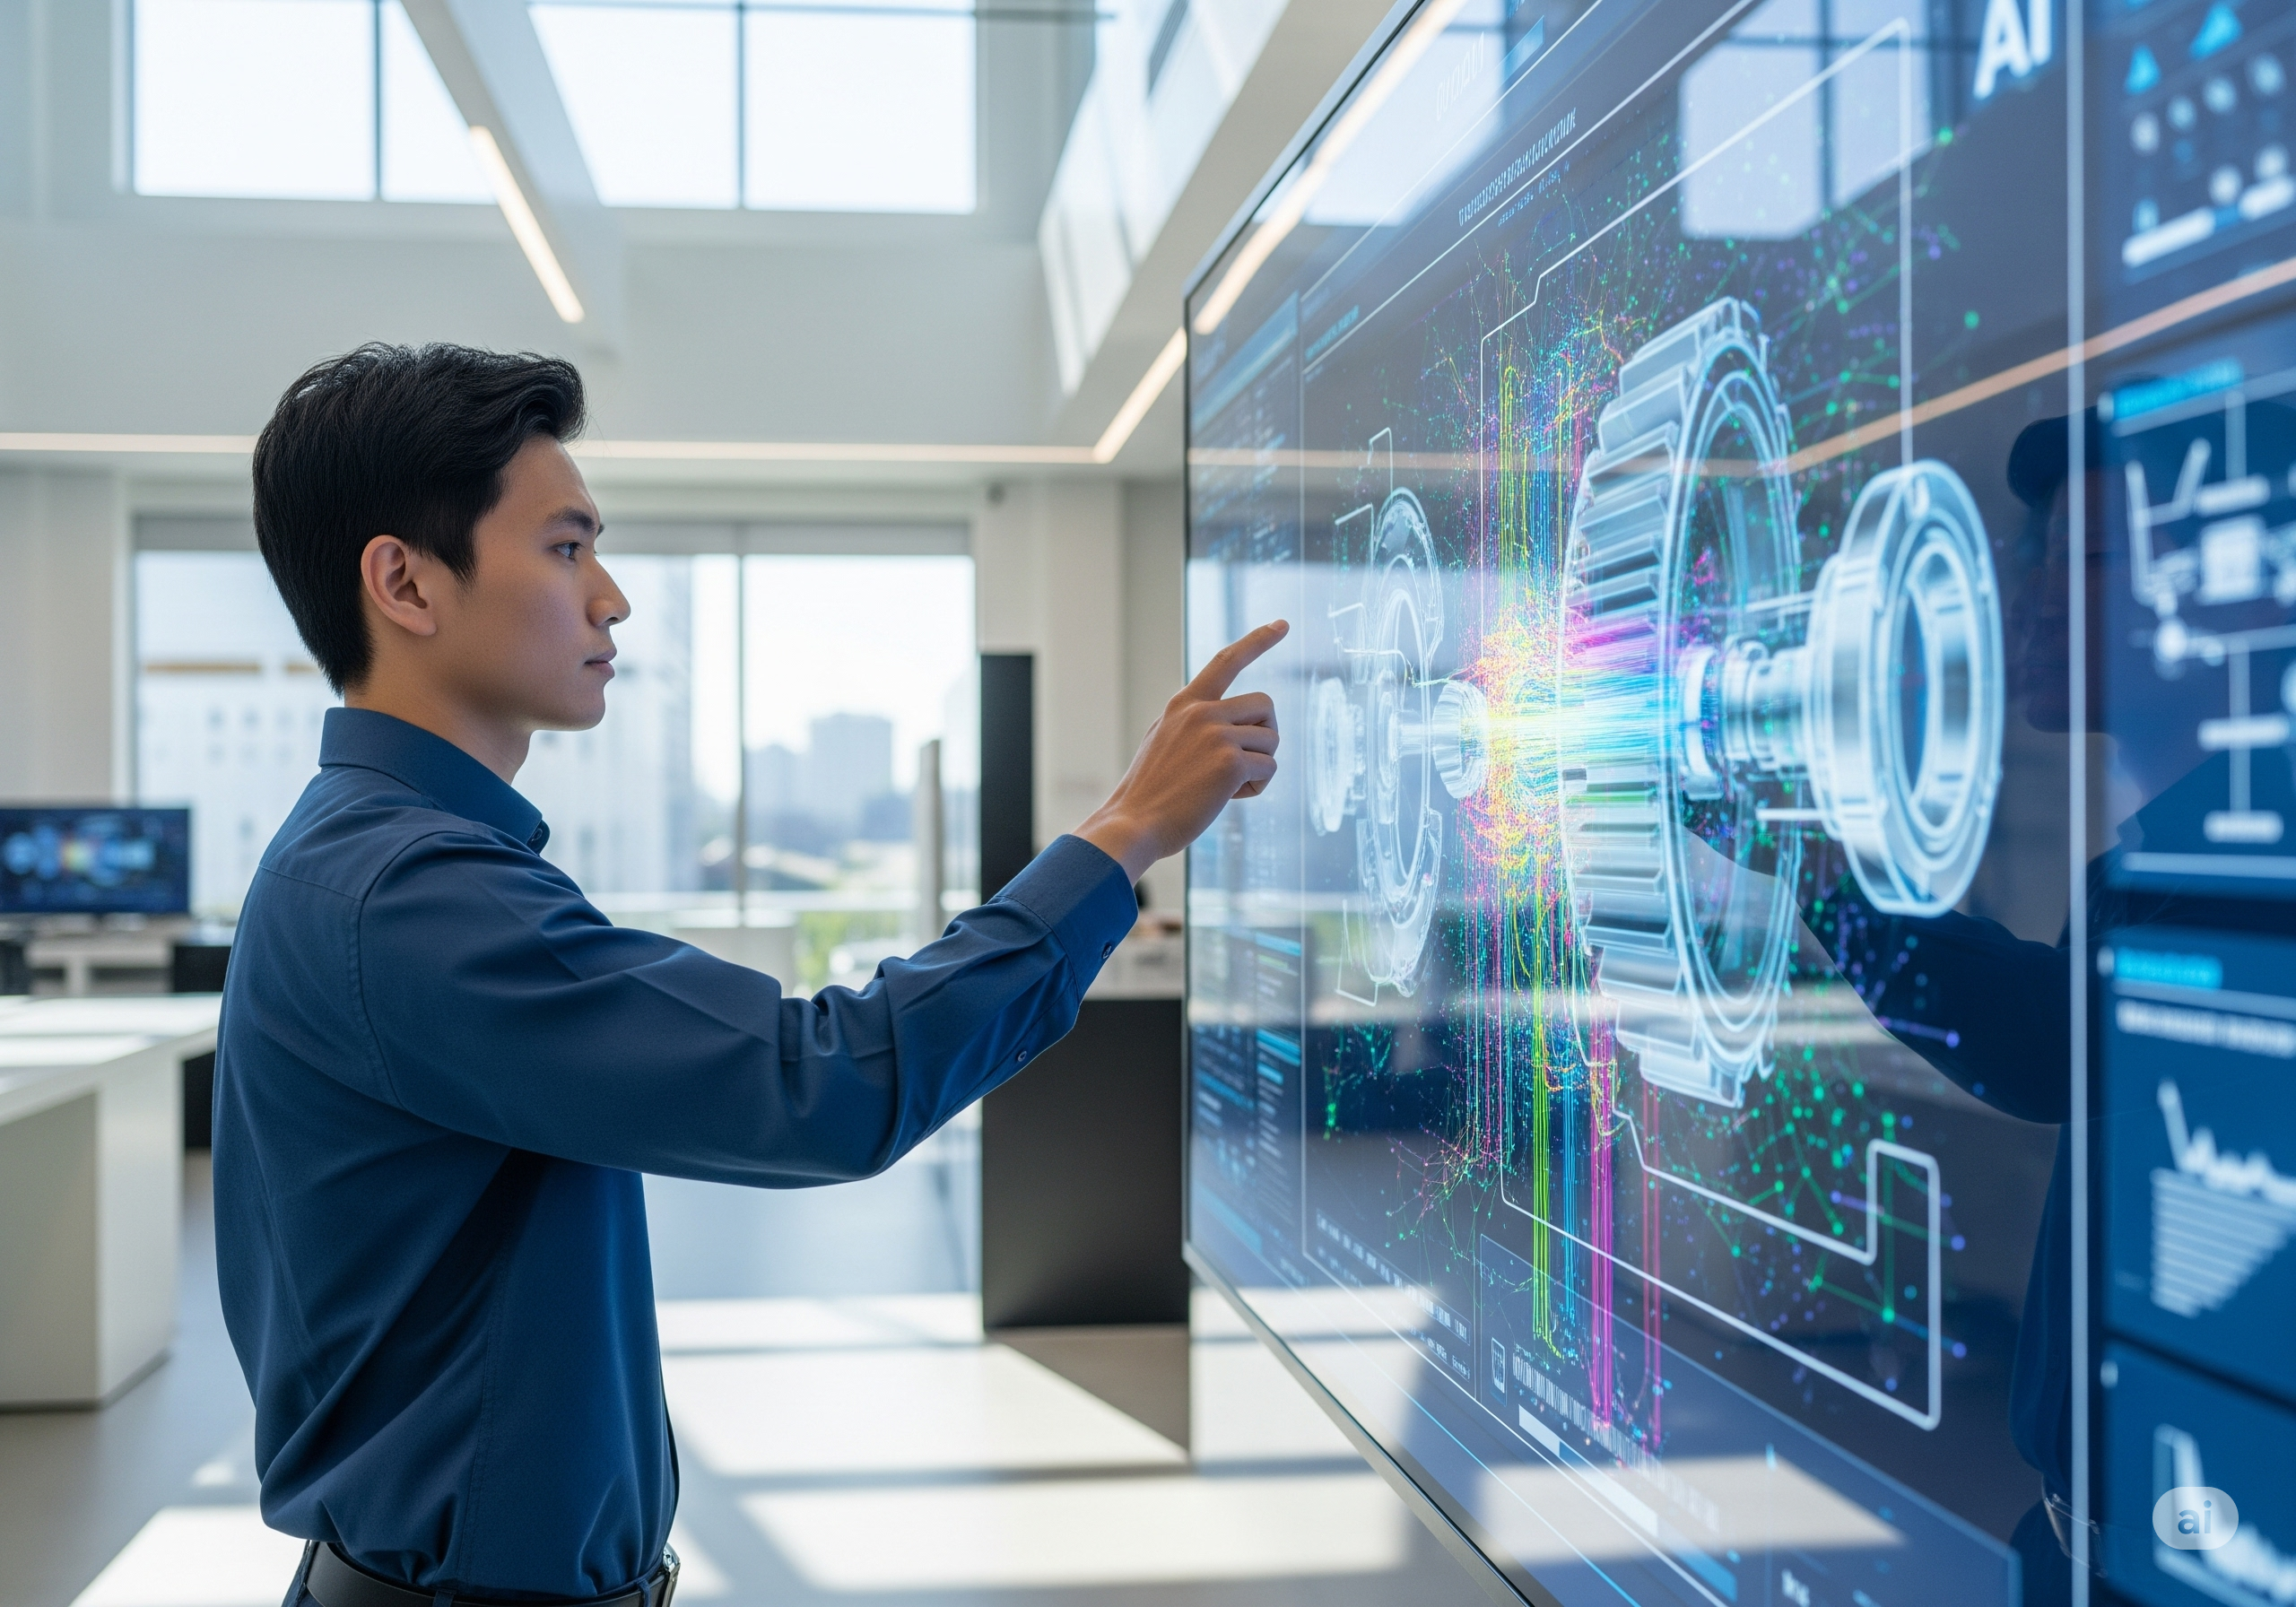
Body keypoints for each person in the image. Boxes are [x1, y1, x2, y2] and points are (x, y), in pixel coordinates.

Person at [213, 343, 1287, 1607]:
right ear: (404, 581)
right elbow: (822, 1082)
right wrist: (1125, 838)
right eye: (565, 549)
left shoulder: (384, 862)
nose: (610, 599)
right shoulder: (406, 895)